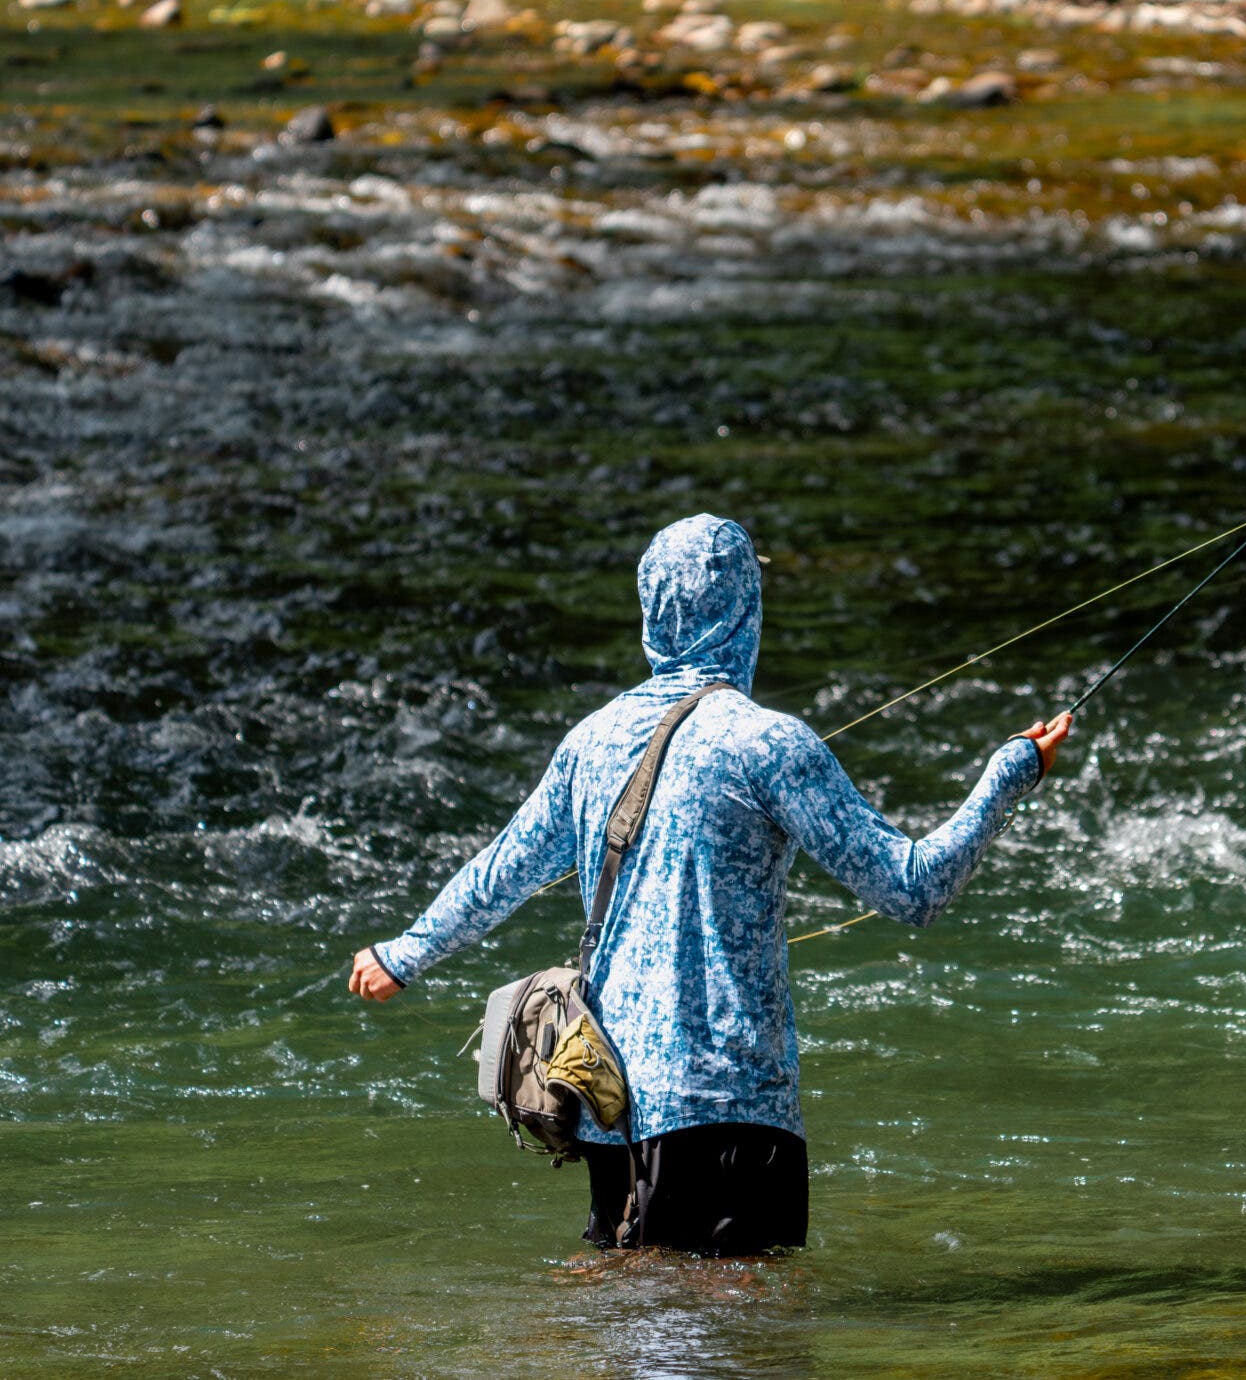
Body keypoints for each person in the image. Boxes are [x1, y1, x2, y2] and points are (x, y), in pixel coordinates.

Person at [348, 513, 1072, 1256]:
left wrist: (402, 954)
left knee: (634, 1323)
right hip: (732, 1110)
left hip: (607, 1106)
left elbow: (501, 871)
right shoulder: (767, 741)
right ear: (745, 611)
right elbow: (914, 888)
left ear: (650, 611)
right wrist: (1011, 775)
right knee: (744, 1339)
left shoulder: (590, 742)